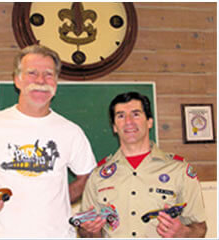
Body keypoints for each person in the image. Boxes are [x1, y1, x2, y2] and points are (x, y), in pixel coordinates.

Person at [0, 44, 96, 238]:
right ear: (17, 80)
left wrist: (59, 200)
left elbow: (87, 178)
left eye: (49, 74)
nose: (41, 80)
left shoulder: (71, 132)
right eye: (32, 73)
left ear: (56, 82)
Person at [79, 92, 207, 238]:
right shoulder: (98, 175)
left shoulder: (179, 170)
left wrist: (183, 233)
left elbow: (200, 229)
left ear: (149, 122)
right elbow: (86, 233)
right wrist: (90, 231)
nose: (128, 121)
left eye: (136, 114)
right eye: (121, 116)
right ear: (114, 127)